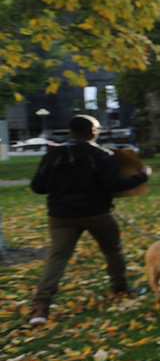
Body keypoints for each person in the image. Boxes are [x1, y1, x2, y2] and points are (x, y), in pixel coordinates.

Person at [27, 114, 151, 324]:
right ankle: (119, 288)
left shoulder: (53, 154)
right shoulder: (102, 155)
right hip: (97, 213)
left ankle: (40, 306)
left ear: (71, 131)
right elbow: (114, 185)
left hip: (61, 215)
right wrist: (143, 175)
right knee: (112, 250)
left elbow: (38, 187)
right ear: (92, 132)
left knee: (58, 257)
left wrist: (61, 187)